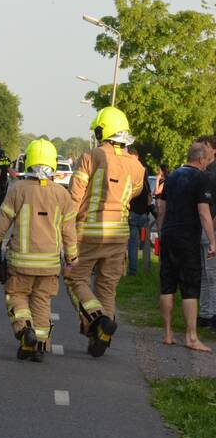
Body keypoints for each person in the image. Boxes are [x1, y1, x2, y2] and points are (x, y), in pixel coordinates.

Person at [0, 140, 78, 361]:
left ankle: (25, 331)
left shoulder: (18, 190)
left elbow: (1, 225)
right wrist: (71, 258)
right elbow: (69, 232)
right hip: (49, 265)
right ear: (53, 164)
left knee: (16, 296)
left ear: (29, 162)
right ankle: (40, 346)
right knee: (42, 302)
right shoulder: (62, 195)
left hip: (21, 262)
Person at [66, 107, 145, 357]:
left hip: (89, 231)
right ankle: (102, 334)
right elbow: (134, 193)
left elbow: (75, 195)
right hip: (119, 233)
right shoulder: (137, 166)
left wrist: (65, 227)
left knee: (75, 279)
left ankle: (97, 319)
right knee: (107, 287)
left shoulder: (92, 156)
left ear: (103, 130)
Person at [155, 142, 215, 351]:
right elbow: (203, 212)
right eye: (207, 159)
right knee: (190, 287)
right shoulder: (202, 178)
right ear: (200, 160)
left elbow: (161, 207)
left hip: (169, 234)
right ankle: (191, 337)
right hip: (188, 237)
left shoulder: (172, 177)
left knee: (167, 284)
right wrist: (212, 240)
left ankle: (168, 333)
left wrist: (162, 232)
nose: (208, 163)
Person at [196, 135, 216, 330]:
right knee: (204, 273)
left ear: (212, 148)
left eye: (204, 146)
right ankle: (204, 314)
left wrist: (212, 225)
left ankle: (212, 316)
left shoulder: (213, 171)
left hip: (211, 227)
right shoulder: (204, 170)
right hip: (203, 226)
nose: (201, 150)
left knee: (211, 274)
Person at [125, 145, 153, 276]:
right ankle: (147, 268)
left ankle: (133, 270)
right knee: (146, 243)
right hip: (143, 212)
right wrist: (148, 208)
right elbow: (148, 192)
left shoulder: (127, 170)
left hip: (133, 212)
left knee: (133, 243)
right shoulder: (143, 170)